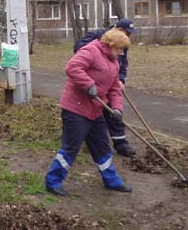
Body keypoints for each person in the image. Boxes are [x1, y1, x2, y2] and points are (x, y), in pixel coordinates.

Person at [45, 29, 132, 196]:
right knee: (71, 147)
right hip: (75, 108)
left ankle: (112, 181)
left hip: (95, 109)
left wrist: (116, 108)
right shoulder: (91, 51)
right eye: (120, 48)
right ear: (111, 44)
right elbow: (72, 67)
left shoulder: (114, 62)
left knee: (102, 146)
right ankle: (52, 182)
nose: (121, 52)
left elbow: (114, 89)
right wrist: (88, 84)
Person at [72, 18, 137, 157]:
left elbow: (123, 64)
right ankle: (91, 142)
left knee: (115, 111)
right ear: (118, 29)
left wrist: (120, 79)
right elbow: (78, 48)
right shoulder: (96, 35)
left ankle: (121, 144)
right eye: (127, 32)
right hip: (92, 84)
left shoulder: (122, 43)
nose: (128, 36)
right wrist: (101, 47)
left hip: (110, 82)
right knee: (94, 114)